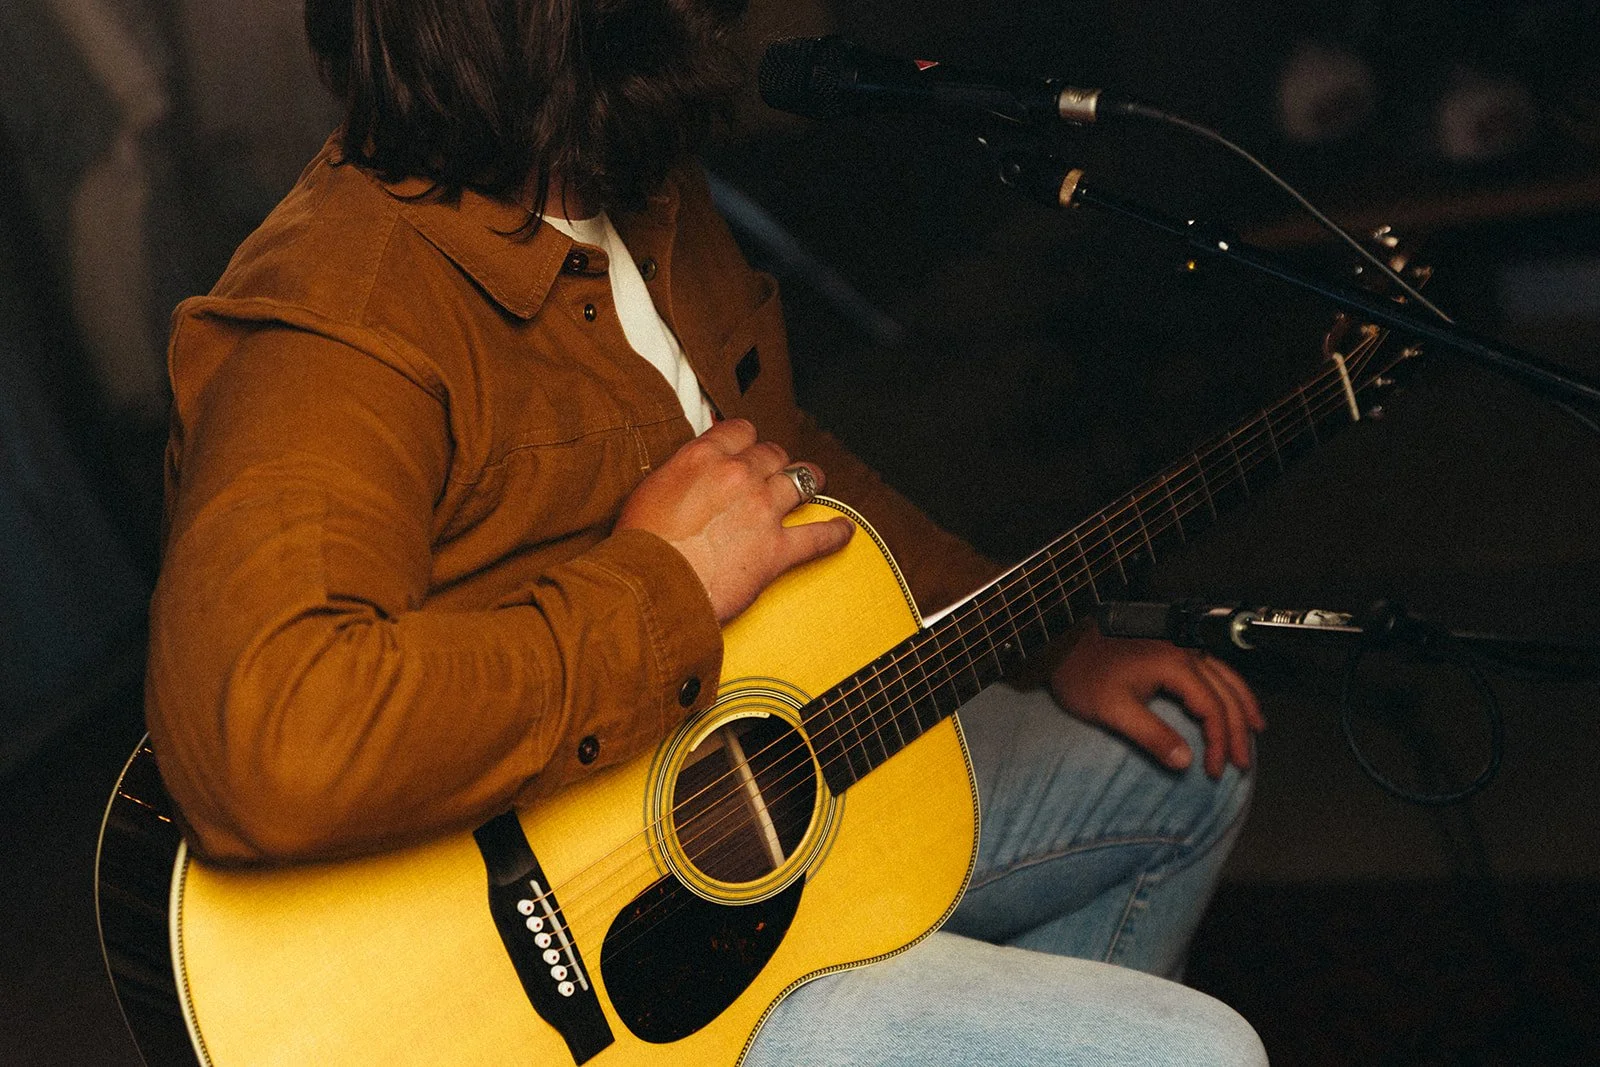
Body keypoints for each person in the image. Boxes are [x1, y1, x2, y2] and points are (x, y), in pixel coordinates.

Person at [145, 0, 1268, 1061]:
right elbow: (268, 730)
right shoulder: (336, 318)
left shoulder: (634, 182)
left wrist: (1044, 634)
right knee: (1205, 1049)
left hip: (751, 792)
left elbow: (777, 469)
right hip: (591, 971)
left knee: (1172, 766)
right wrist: (660, 585)